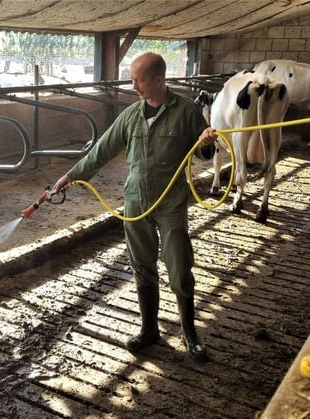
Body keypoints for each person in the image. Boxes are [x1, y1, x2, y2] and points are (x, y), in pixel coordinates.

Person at [51, 52, 218, 361]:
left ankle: (190, 333)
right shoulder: (130, 115)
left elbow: (204, 152)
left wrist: (207, 142)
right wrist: (70, 176)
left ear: (158, 79)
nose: (134, 85)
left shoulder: (187, 112)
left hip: (170, 202)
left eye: (138, 80)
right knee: (142, 267)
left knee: (179, 268)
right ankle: (149, 330)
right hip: (135, 202)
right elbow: (101, 150)